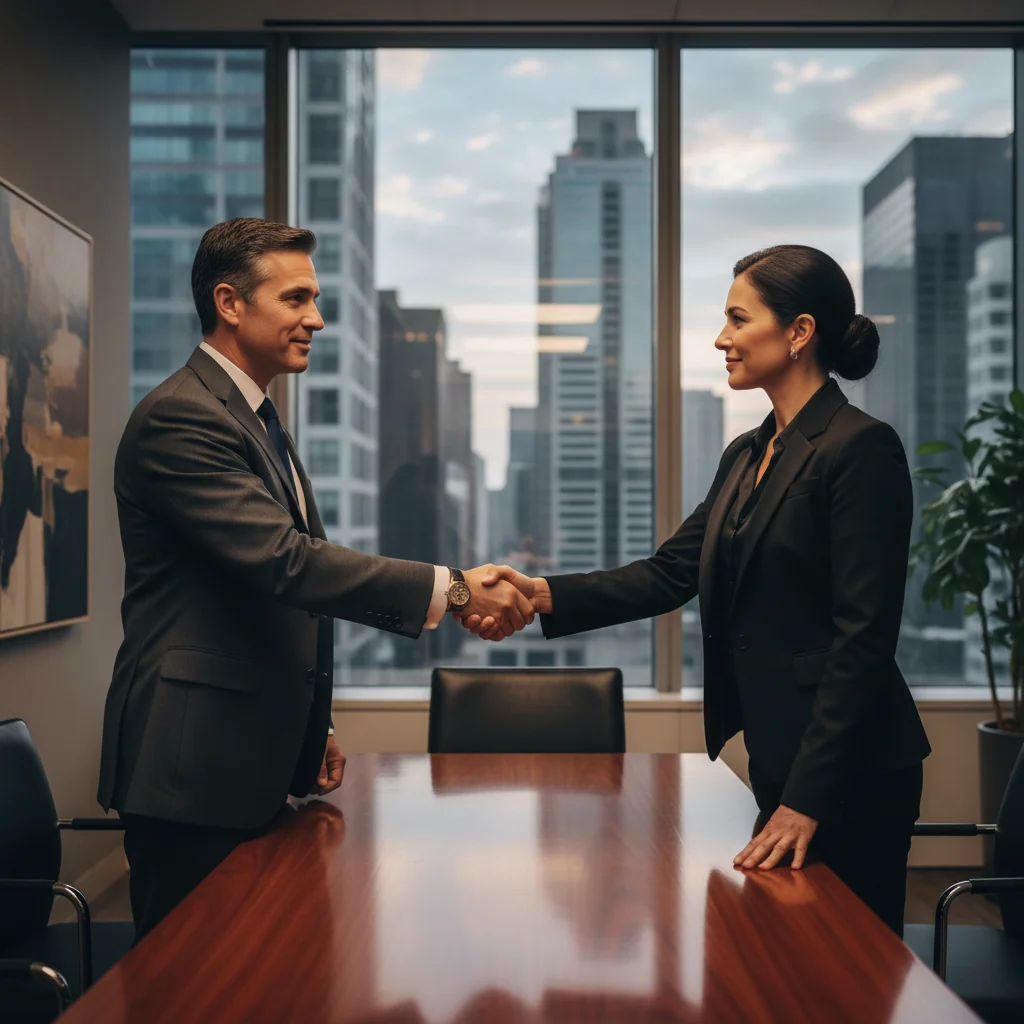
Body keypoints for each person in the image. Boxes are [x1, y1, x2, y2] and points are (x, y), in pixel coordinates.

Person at [459, 244, 931, 936]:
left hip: (850, 774)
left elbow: (863, 639)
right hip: (780, 759)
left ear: (798, 333)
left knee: (846, 978)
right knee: (783, 968)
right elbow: (669, 572)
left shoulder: (860, 448)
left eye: (739, 319)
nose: (722, 338)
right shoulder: (748, 453)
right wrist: (538, 594)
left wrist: (806, 800)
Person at [98, 218, 534, 941]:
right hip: (193, 769)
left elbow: (264, 595)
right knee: (191, 989)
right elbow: (286, 563)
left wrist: (313, 720)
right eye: (297, 298)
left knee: (262, 978)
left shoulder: (254, 417)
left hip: (246, 757)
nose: (317, 319)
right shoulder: (182, 418)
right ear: (230, 303)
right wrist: (453, 588)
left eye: (316, 299)